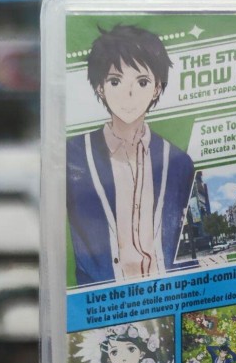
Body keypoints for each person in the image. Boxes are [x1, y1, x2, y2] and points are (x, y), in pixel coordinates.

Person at [66, 24, 195, 287]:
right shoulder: (73, 156)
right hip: (103, 303)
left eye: (142, 82)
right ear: (100, 87)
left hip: (167, 297)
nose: (129, 94)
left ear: (157, 88)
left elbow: (185, 238)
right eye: (115, 81)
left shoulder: (178, 163)